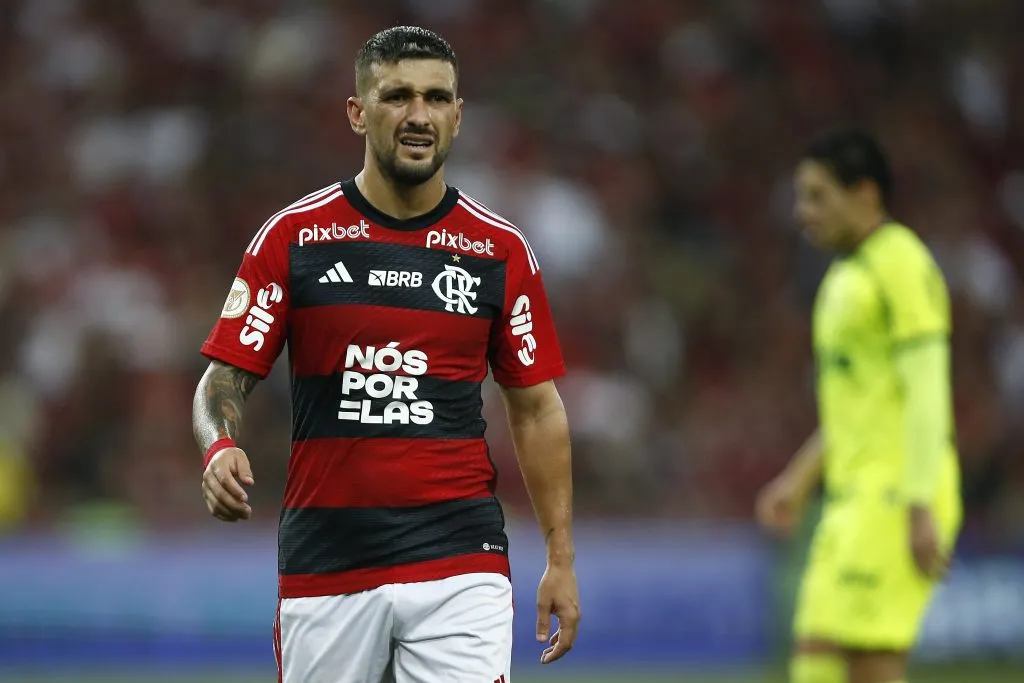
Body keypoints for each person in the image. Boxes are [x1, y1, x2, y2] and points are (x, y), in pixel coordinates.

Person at [192, 25, 579, 683]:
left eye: (436, 98)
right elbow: (222, 377)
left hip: (461, 561)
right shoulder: (294, 237)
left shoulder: (499, 251)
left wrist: (561, 558)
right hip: (327, 563)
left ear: (458, 115)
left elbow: (537, 409)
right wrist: (217, 444)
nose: (418, 115)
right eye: (397, 96)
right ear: (357, 111)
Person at [756, 128, 962, 683]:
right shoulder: (845, 275)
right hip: (850, 498)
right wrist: (799, 479)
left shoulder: (901, 263)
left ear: (865, 193)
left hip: (897, 493)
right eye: (801, 197)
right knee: (815, 654)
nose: (804, 213)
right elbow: (857, 406)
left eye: (818, 196)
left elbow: (927, 391)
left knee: (871, 663)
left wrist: (919, 505)